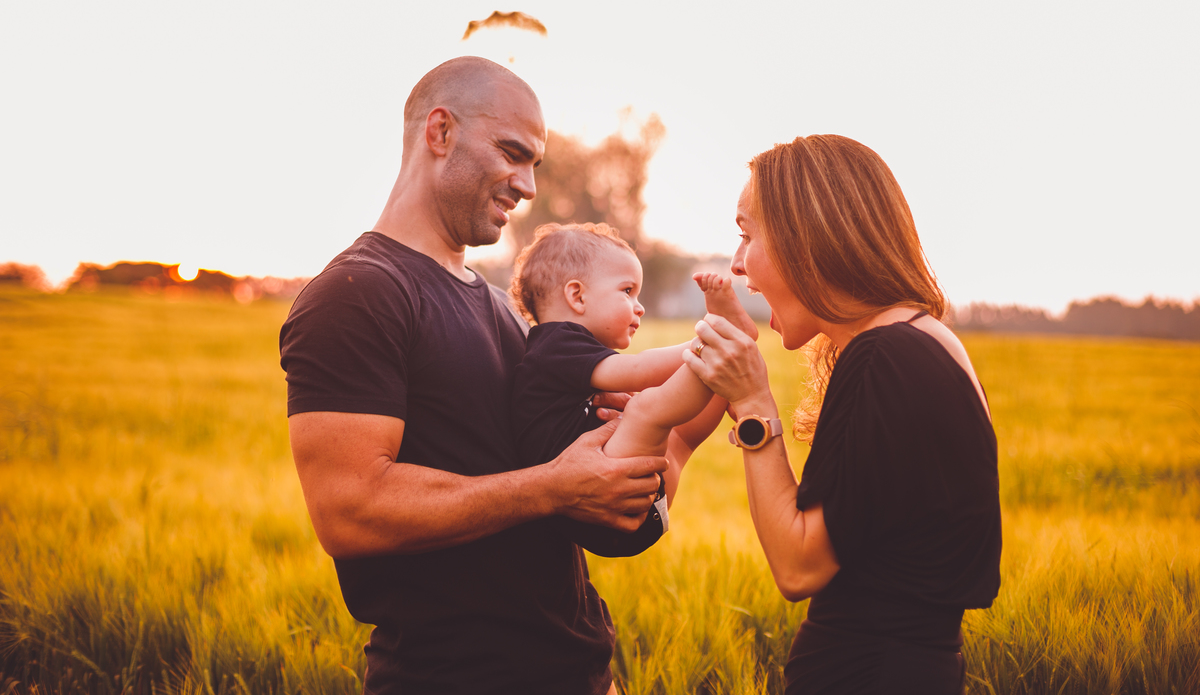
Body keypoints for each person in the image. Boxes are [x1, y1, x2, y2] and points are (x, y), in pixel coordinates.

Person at [279, 56, 670, 695]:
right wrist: (552, 486)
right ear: (440, 132)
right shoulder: (357, 293)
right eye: (513, 153)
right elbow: (349, 510)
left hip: (579, 671)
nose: (528, 186)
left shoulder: (502, 307)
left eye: (535, 163)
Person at [683, 135, 1002, 694]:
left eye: (747, 235)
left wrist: (754, 406)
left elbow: (798, 566)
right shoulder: (924, 338)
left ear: (805, 238)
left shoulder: (885, 357)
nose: (736, 264)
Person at [508, 222, 757, 523]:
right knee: (644, 406)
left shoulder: (559, 349)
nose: (639, 308)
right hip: (602, 500)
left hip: (632, 491)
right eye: (627, 291)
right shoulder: (556, 345)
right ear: (577, 296)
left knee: (680, 433)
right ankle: (723, 338)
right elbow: (640, 370)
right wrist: (702, 342)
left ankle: (727, 349)